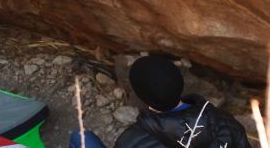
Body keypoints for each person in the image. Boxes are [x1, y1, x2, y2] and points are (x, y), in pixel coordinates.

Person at [70, 55, 251, 148]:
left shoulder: (132, 141)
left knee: (81, 137)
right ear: (180, 83)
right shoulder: (227, 123)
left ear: (141, 96)